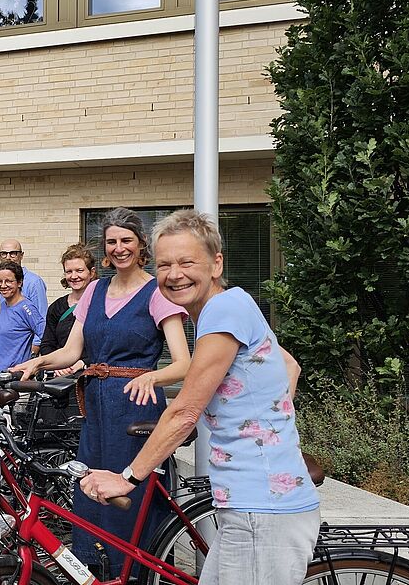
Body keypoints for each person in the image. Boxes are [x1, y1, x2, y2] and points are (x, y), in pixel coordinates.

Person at [79, 209, 319, 585]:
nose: (175, 274)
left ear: (216, 264)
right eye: (164, 265)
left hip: (262, 506)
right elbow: (290, 365)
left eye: (187, 262)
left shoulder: (223, 310)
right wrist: (268, 428)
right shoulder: (228, 306)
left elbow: (184, 412)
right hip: (247, 501)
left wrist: (127, 478)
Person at [11, 208, 191, 578]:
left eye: (126, 240)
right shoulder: (94, 290)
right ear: (104, 248)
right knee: (91, 489)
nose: (119, 248)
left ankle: (140, 574)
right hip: (95, 407)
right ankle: (98, 574)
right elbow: (72, 351)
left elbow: (184, 363)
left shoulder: (157, 292)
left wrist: (152, 379)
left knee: (132, 495)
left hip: (136, 408)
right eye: (111, 241)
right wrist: (37, 362)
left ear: (141, 245)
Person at [38, 244, 98, 378]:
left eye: (79, 270)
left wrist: (84, 362)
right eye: (69, 271)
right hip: (61, 376)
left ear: (92, 272)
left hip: (91, 374)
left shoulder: (101, 303)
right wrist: (56, 366)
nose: (74, 276)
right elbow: (47, 344)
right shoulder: (56, 307)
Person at [0, 261, 44, 374]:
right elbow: (10, 326)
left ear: (19, 282)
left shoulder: (26, 308)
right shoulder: (4, 304)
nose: (3, 285)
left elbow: (46, 335)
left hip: (16, 377)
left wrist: (37, 363)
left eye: (8, 281)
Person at [0, 239, 47, 311]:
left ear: (21, 255)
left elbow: (41, 314)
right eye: (4, 254)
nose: (8, 257)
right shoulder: (2, 283)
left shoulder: (34, 282)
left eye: (13, 253)